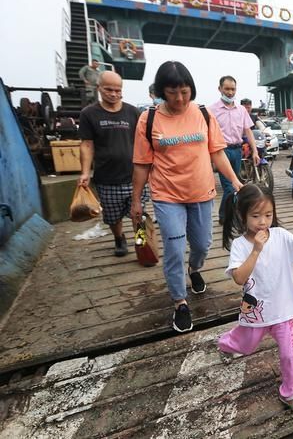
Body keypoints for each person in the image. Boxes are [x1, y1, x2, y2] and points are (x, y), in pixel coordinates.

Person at [131, 61, 243, 333]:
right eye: (172, 92)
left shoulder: (204, 114)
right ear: (161, 91)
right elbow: (142, 164)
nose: (179, 98)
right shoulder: (149, 119)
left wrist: (236, 181)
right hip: (167, 195)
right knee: (174, 248)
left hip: (202, 192)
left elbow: (216, 152)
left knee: (202, 244)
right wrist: (136, 201)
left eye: (184, 91)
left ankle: (194, 269)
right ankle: (180, 301)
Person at [217, 184, 293, 416]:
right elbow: (239, 278)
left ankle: (291, 392)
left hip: (283, 311)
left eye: (268, 215)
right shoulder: (240, 245)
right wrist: (256, 250)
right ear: (242, 215)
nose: (263, 222)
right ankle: (225, 344)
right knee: (244, 345)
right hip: (256, 312)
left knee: (289, 354)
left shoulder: (281, 236)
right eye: (255, 216)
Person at [78, 71, 147, 257]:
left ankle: (142, 243)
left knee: (139, 213)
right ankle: (119, 238)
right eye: (109, 89)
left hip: (134, 176)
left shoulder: (133, 112)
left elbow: (144, 142)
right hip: (107, 178)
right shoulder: (89, 114)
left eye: (118, 90)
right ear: (99, 88)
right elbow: (86, 144)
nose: (114, 94)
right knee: (112, 216)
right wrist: (85, 172)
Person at [209, 76, 260, 224]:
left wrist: (255, 151)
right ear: (220, 89)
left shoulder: (241, 110)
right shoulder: (212, 110)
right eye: (227, 89)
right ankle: (226, 216)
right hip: (222, 151)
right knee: (229, 187)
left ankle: (226, 214)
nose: (230, 92)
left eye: (233, 89)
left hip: (237, 151)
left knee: (235, 183)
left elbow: (248, 131)